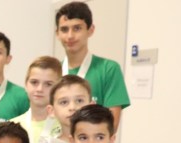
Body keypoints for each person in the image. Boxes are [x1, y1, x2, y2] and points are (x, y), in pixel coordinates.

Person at [55, 1, 130, 132]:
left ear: (90, 30)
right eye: (64, 29)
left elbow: (110, 127)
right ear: (57, 33)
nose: (70, 36)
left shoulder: (108, 69)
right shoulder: (54, 72)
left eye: (77, 28)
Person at [10, 56, 63, 143]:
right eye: (34, 82)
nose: (39, 89)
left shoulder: (66, 125)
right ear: (25, 85)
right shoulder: (12, 126)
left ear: (59, 88)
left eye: (48, 84)